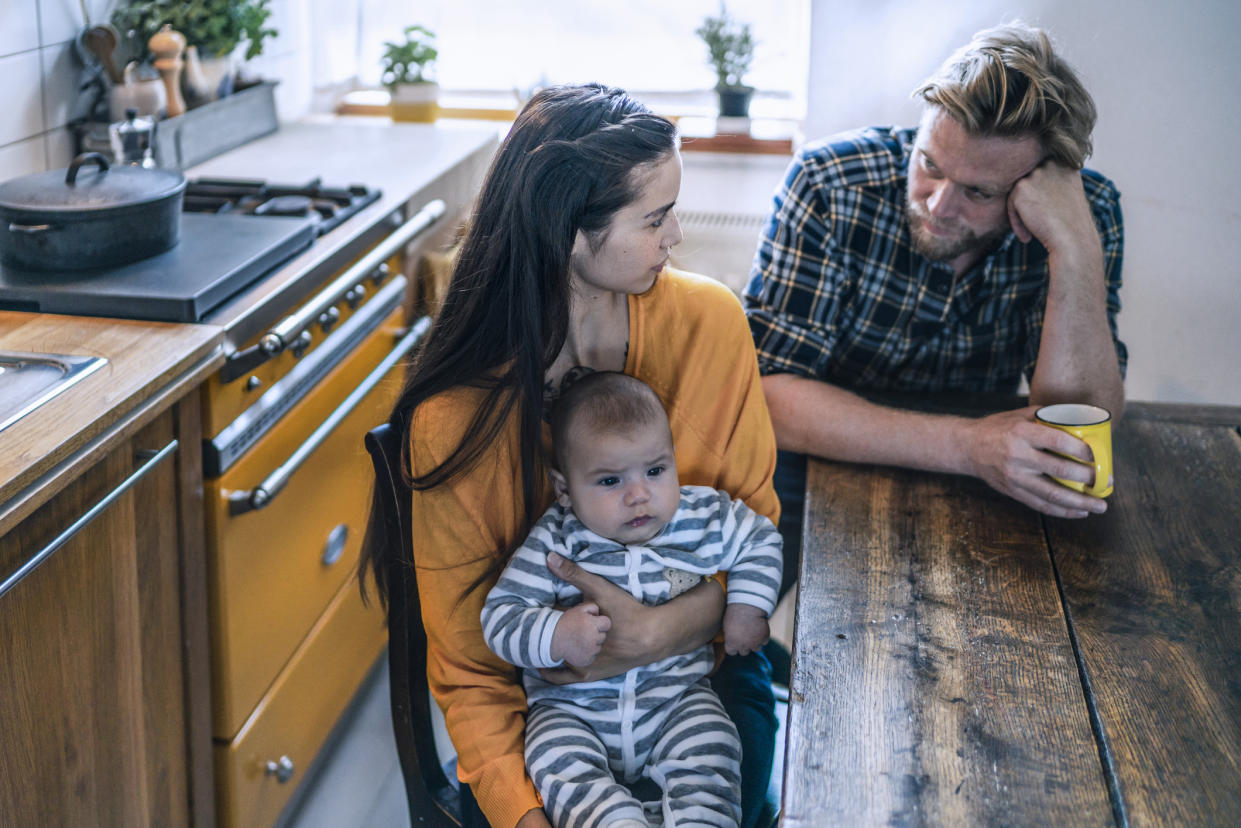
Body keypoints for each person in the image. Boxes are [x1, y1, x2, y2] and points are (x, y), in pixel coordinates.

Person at [359, 84, 781, 828]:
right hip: (545, 712)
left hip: (701, 682)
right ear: (569, 234)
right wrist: (525, 817)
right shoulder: (452, 422)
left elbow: (754, 546)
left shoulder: (712, 326)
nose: (675, 235)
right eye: (654, 218)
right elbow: (470, 668)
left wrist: (653, 634)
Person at [743, 23, 1127, 593]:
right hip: (823, 449)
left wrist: (1073, 250)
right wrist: (967, 446)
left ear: (1041, 183)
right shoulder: (830, 184)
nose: (939, 206)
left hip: (993, 470)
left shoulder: (1084, 213)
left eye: (980, 193)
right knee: (738, 605)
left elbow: (1080, 426)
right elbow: (769, 397)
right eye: (930, 165)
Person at [482, 371, 782, 828]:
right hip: (573, 712)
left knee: (714, 747)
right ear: (565, 489)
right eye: (609, 481)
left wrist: (746, 606)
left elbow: (760, 539)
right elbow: (500, 618)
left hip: (676, 700)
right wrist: (557, 633)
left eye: (656, 471)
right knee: (554, 759)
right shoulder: (556, 541)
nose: (639, 495)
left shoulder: (699, 515)